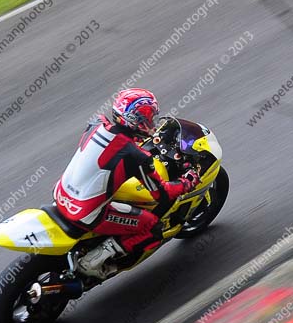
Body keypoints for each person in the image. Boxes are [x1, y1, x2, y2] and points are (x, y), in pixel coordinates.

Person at [53, 88, 199, 278]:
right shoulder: (135, 156)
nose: (151, 123)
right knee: (153, 228)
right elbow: (161, 193)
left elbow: (107, 153)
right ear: (134, 119)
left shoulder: (96, 123)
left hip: (61, 193)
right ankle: (94, 262)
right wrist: (186, 182)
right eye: (147, 118)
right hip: (86, 213)